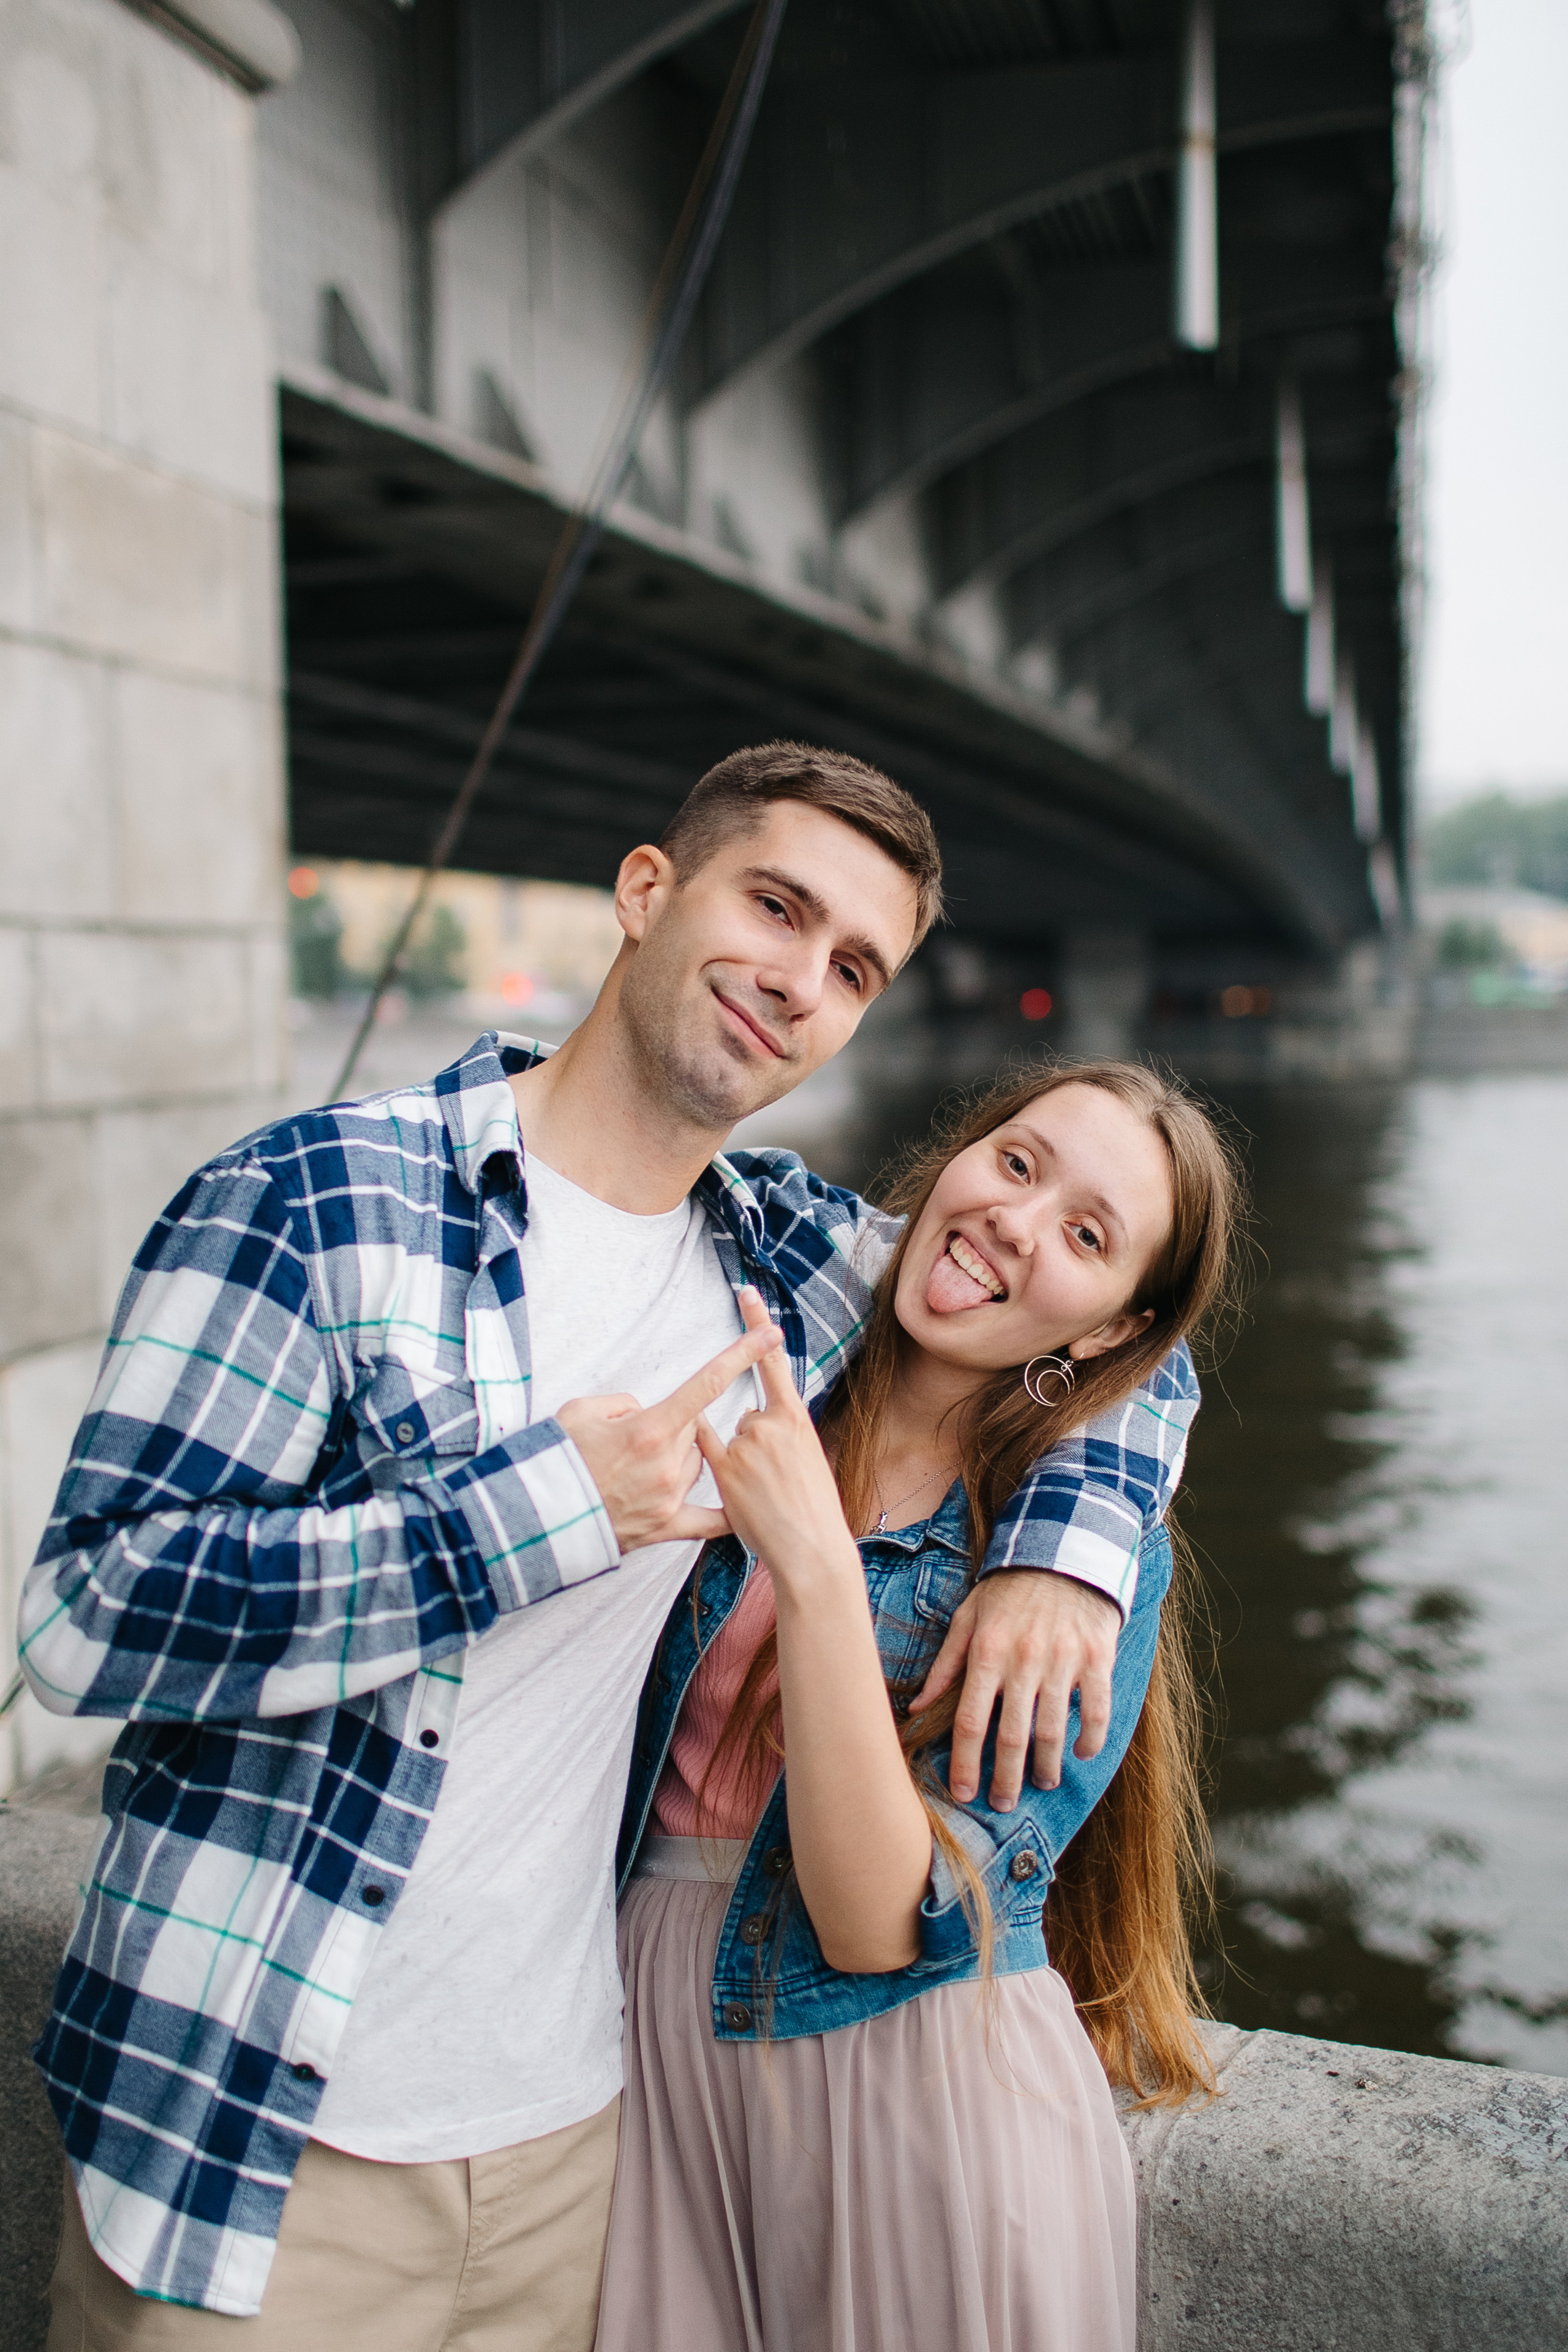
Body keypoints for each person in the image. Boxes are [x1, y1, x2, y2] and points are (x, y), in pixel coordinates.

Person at [20, 745, 1190, 2352]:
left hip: (579, 2154)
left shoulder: (783, 1268)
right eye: (774, 908)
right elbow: (85, 1620)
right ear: (647, 891)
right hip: (264, 2146)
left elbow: (1110, 1323)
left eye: (852, 968)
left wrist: (1074, 1544)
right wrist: (528, 1519)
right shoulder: (316, 1197)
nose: (797, 982)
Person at [596, 1060, 1239, 2352]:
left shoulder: (1072, 1579)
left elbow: (880, 1925)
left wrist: (822, 1575)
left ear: (1111, 1329)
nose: (1017, 1219)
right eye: (1014, 1163)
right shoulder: (753, 1374)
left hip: (914, 2094)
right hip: (639, 2050)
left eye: (1085, 1235)